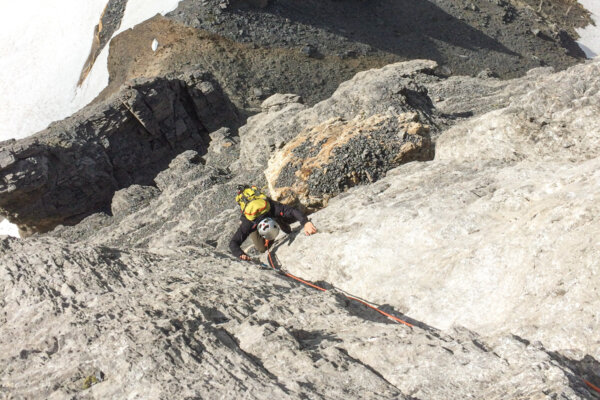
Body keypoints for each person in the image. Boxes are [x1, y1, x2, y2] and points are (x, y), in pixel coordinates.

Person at [229, 185, 317, 260]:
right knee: (262, 248)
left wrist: (306, 223)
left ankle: (279, 219)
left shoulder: (272, 207)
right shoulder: (248, 223)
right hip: (254, 219)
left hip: (269, 211)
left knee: (287, 219)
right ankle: (278, 222)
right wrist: (241, 254)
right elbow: (233, 243)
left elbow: (292, 211)